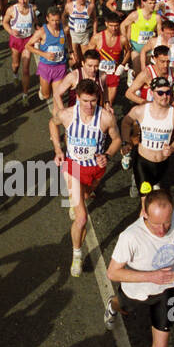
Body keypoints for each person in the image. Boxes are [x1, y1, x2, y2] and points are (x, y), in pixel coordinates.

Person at [104, 189, 174, 347]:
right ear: (145, 215)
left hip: (166, 289)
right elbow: (112, 272)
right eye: (156, 224)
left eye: (166, 223)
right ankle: (112, 305)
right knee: (122, 306)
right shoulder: (130, 237)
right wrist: (151, 276)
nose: (162, 230)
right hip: (136, 291)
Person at [52, 78, 122, 278]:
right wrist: (58, 148)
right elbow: (52, 123)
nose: (89, 106)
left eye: (92, 101)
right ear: (78, 99)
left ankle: (82, 199)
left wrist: (107, 155)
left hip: (94, 171)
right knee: (81, 217)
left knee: (86, 195)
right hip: (72, 167)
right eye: (85, 101)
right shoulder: (67, 114)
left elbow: (116, 140)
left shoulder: (106, 118)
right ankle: (77, 254)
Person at [119, 78, 174, 199]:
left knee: (159, 197)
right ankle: (138, 180)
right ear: (152, 93)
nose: (164, 96)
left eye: (168, 92)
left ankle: (139, 181)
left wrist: (172, 148)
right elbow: (126, 122)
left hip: (162, 163)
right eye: (160, 93)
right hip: (143, 163)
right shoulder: (141, 110)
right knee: (147, 204)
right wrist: (125, 142)